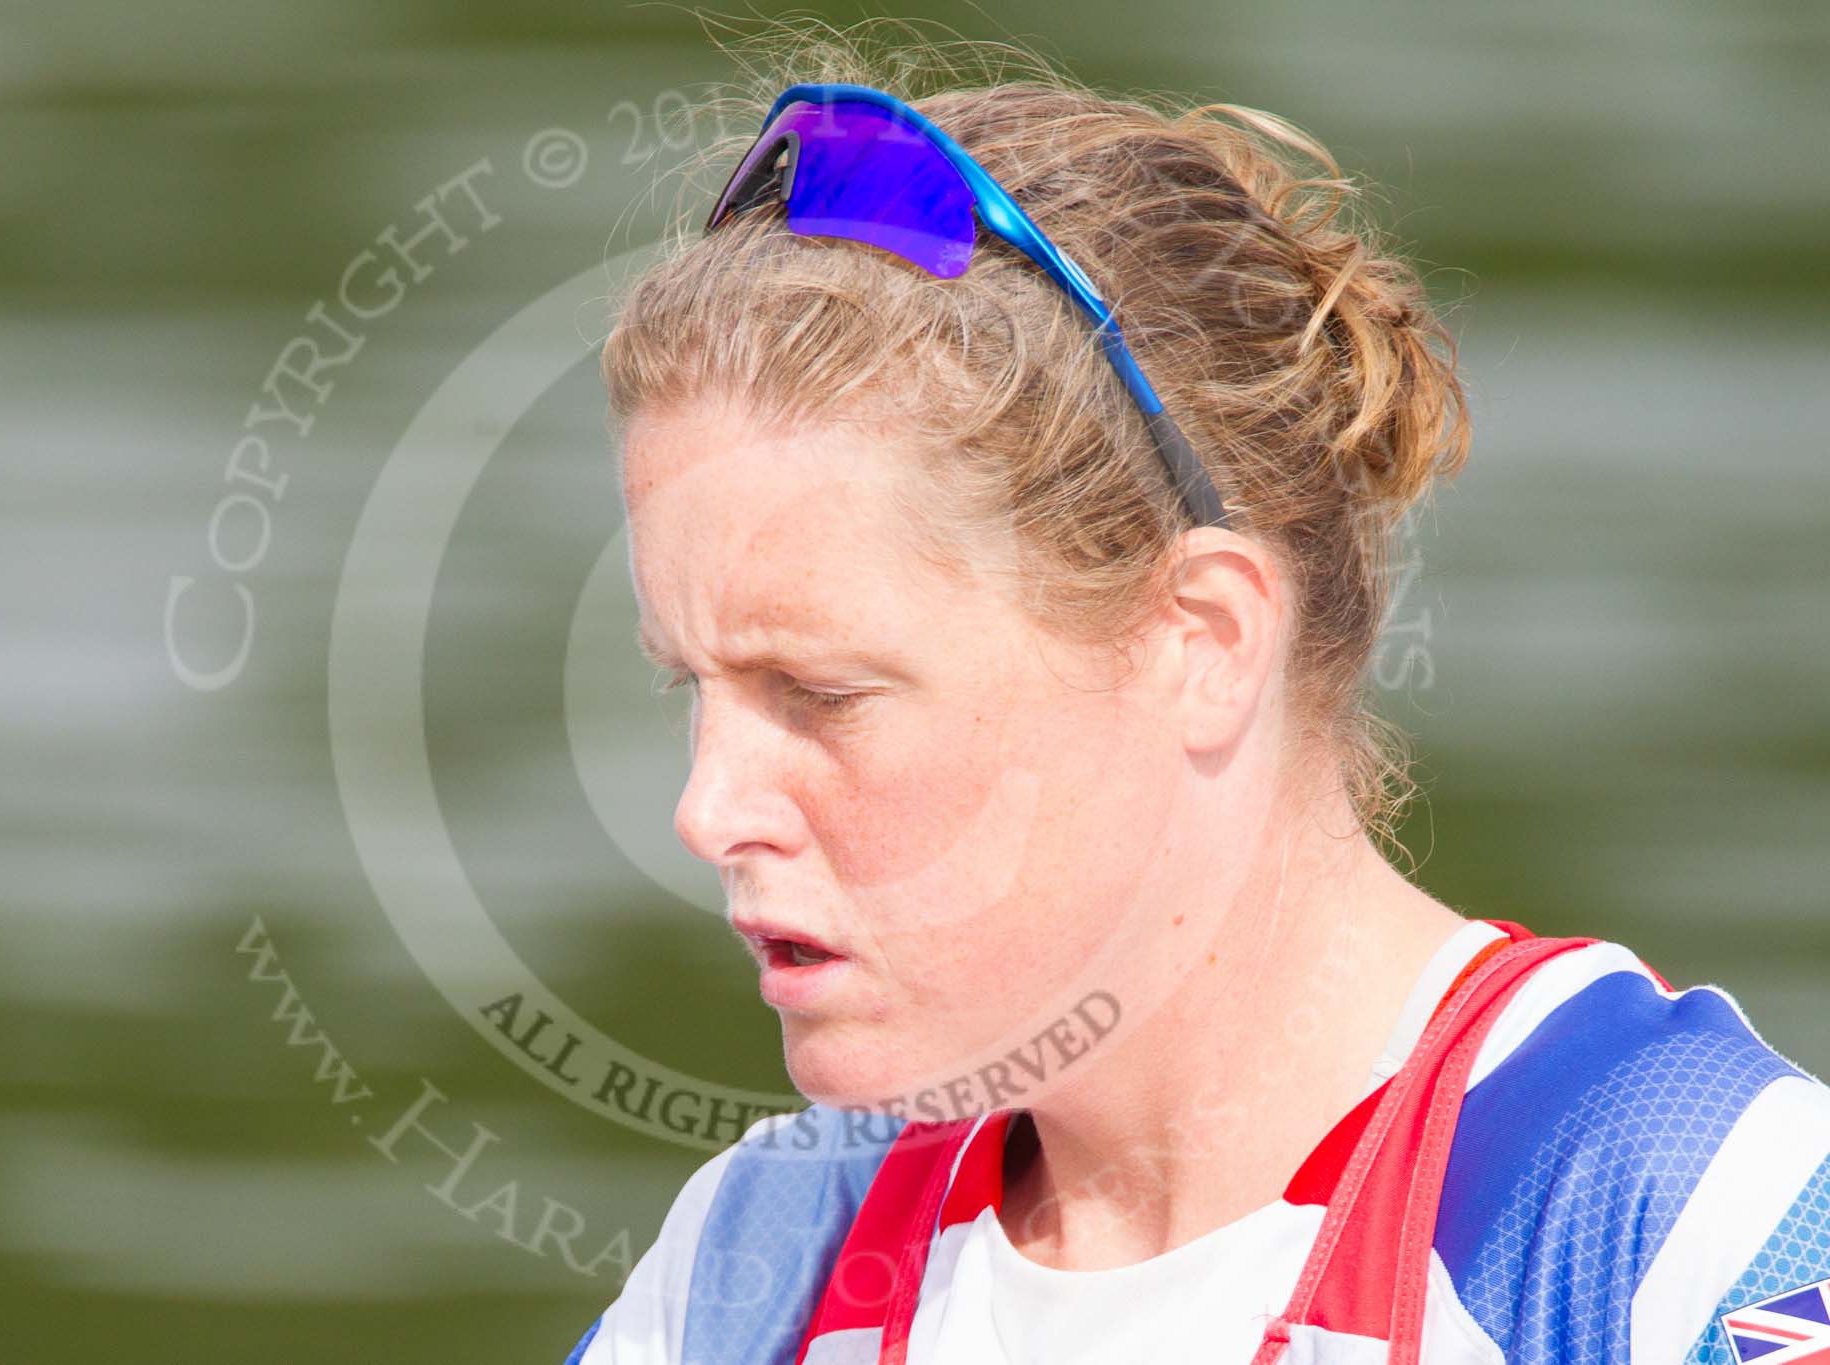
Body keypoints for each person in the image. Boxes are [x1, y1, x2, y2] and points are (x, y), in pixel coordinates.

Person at [566, 23, 1830, 1365]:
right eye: (692, 682)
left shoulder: (1685, 1222)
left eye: (819, 692)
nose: (708, 808)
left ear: (1205, 641)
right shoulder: (749, 1267)